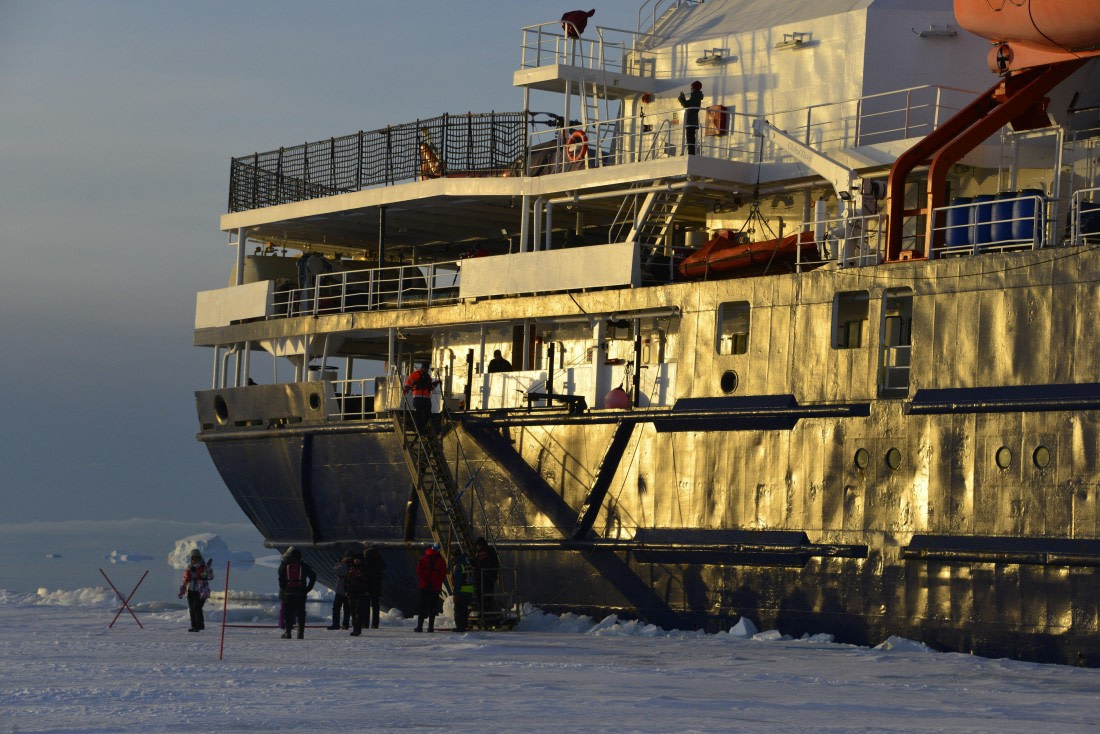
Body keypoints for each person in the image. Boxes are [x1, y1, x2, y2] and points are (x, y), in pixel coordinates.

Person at [278, 547, 317, 639]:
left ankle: (288, 633)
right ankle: (300, 633)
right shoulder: (303, 566)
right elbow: (313, 576)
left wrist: (285, 589)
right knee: (301, 613)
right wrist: (308, 588)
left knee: (288, 613)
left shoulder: (286, 566)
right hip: (301, 593)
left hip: (289, 593)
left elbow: (280, 578)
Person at [178, 549, 213, 632]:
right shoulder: (189, 568)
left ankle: (200, 626)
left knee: (197, 607)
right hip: (190, 590)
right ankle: (194, 626)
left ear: (200, 558)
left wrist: (206, 572)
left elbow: (210, 577)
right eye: (193, 558)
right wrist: (182, 590)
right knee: (192, 609)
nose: (195, 560)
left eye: (197, 558)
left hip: (201, 591)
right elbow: (185, 579)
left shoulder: (205, 567)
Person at [415, 543, 447, 633]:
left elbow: (418, 571)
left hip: (424, 587)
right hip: (435, 588)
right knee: (432, 608)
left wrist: (425, 581)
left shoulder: (423, 559)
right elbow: (442, 575)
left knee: (422, 607)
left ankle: (419, 627)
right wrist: (434, 581)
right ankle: (430, 628)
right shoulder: (441, 561)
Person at [403, 361, 440, 431]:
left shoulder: (428, 377)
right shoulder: (415, 374)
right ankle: (418, 427)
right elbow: (408, 382)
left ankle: (420, 427)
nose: (426, 369)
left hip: (426, 398)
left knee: (428, 413)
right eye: (425, 368)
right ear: (422, 367)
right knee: (418, 413)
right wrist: (406, 388)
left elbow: (430, 388)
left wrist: (436, 383)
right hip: (418, 397)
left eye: (427, 368)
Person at [472, 537, 500, 616]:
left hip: (487, 577)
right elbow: (477, 562)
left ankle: (487, 612)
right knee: (480, 595)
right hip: (481, 577)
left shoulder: (488, 551)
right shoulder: (479, 553)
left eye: (478, 545)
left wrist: (483, 565)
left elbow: (491, 563)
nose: (477, 547)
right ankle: (483, 611)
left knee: (487, 595)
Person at [362, 545, 388, 630]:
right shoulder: (378, 562)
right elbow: (384, 566)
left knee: (366, 606)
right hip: (376, 587)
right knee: (375, 606)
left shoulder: (365, 563)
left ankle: (365, 624)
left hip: (367, 587)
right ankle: (375, 624)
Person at [327, 550, 353, 630]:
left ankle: (336, 624)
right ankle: (345, 624)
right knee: (347, 608)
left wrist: (340, 563)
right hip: (349, 590)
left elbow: (334, 570)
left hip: (340, 590)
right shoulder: (353, 565)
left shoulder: (343, 565)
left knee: (336, 608)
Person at [451, 552, 475, 633]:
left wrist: (455, 594)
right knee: (464, 611)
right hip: (469, 591)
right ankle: (463, 626)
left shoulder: (459, 566)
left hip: (462, 592)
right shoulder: (468, 564)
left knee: (459, 610)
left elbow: (457, 582)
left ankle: (460, 627)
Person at [678, 81, 704, 155]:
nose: (691, 89)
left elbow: (686, 104)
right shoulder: (696, 95)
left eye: (692, 87)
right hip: (693, 120)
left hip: (691, 120)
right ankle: (691, 152)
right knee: (690, 137)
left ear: (694, 87)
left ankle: (691, 153)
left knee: (690, 137)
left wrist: (682, 98)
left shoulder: (695, 95)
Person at [345, 553, 368, 636]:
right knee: (352, 612)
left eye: (358, 559)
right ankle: (355, 627)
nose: (357, 560)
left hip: (360, 593)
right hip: (351, 592)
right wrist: (346, 590)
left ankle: (357, 629)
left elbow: (368, 581)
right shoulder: (350, 569)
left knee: (358, 611)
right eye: (355, 559)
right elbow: (346, 580)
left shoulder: (364, 569)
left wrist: (366, 591)